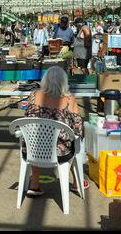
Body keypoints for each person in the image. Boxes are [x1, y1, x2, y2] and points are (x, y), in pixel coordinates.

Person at [22, 66, 87, 197]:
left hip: (32, 149)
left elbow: (26, 117)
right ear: (64, 81)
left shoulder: (33, 96)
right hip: (59, 152)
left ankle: (34, 185)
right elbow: (78, 127)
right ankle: (76, 182)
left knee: (36, 140)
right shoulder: (69, 99)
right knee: (76, 142)